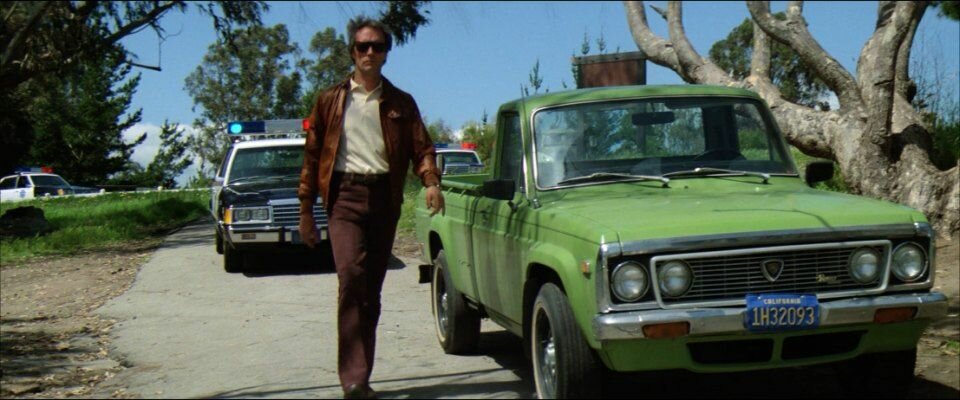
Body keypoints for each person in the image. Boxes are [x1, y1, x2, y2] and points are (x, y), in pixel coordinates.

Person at [297, 15, 445, 400]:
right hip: (343, 197)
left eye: (377, 47)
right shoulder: (330, 101)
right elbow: (312, 158)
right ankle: (353, 380)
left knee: (371, 289)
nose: (369, 53)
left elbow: (422, 148)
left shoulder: (401, 103)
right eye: (362, 46)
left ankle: (361, 377)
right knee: (351, 278)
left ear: (386, 54)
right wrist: (305, 211)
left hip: (383, 198)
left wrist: (431, 182)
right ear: (352, 52)